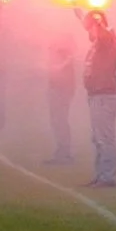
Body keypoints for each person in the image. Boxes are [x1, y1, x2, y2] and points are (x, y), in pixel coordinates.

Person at [79, 9, 116, 188]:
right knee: (98, 138)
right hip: (97, 95)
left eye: (90, 27)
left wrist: (95, 20)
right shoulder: (99, 42)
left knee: (105, 138)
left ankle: (107, 176)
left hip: (105, 95)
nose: (88, 32)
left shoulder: (108, 39)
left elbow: (101, 32)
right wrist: (81, 14)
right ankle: (100, 175)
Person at [42, 33, 77, 165]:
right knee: (56, 121)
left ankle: (65, 153)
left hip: (62, 91)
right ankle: (61, 151)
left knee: (60, 120)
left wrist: (55, 68)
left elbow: (61, 67)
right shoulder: (59, 55)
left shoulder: (66, 55)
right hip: (56, 90)